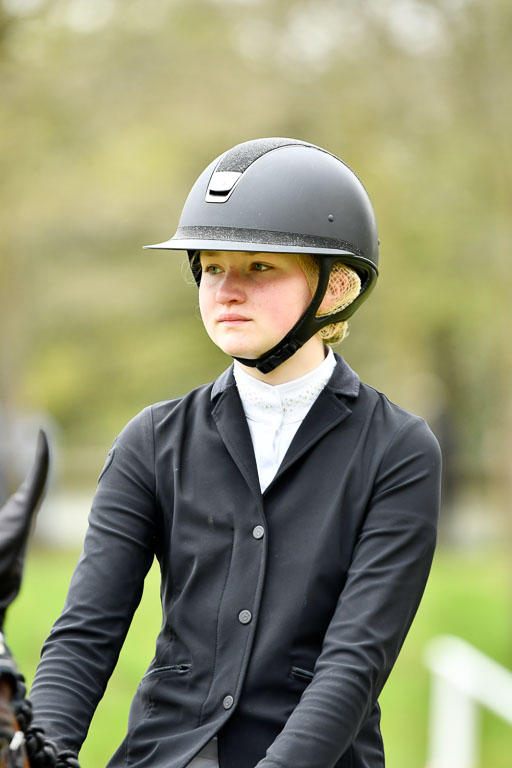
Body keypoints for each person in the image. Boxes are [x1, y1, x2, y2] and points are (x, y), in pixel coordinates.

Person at [30, 138, 442, 768]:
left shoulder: (399, 451)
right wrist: (44, 748)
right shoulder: (151, 439)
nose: (226, 290)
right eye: (213, 266)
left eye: (258, 268)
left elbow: (355, 661)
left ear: (334, 286)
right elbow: (87, 631)